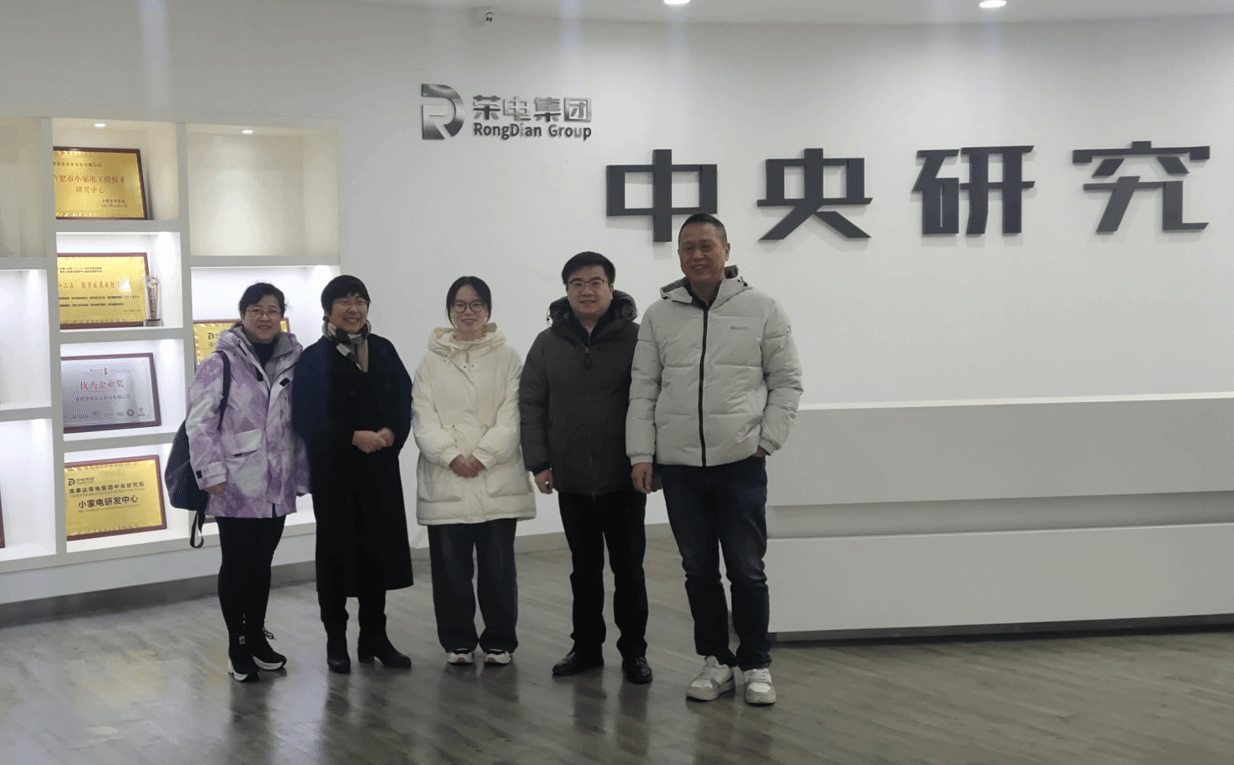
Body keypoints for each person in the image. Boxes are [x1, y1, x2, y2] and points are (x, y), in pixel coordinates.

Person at [627, 213, 803, 706]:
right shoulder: (659, 315)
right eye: (688, 247)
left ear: (727, 250)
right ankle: (715, 661)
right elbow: (643, 389)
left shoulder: (763, 308)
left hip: (740, 463)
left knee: (747, 570)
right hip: (680, 468)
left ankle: (756, 663)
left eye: (706, 245)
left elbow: (787, 382)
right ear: (679, 255)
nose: (697, 255)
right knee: (698, 571)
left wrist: (766, 440)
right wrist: (642, 452)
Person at [519, 251, 652, 684]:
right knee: (584, 571)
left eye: (596, 282)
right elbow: (531, 405)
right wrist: (539, 463)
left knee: (629, 571)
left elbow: (655, 400)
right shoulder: (547, 343)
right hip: (572, 478)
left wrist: (649, 458)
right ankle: (587, 648)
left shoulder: (638, 339)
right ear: (566, 291)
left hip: (625, 477)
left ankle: (634, 651)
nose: (587, 290)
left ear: (611, 288)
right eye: (577, 283)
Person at [291, 275, 414, 674]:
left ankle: (374, 636)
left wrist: (391, 432)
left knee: (377, 554)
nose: (353, 308)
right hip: (336, 474)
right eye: (344, 301)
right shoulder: (314, 357)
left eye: (360, 300)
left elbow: (404, 398)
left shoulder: (383, 349)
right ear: (328, 310)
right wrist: (350, 437)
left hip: (379, 470)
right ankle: (336, 640)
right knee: (335, 557)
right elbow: (305, 417)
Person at [186, 282, 308, 683]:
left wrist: (301, 473)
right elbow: (199, 422)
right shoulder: (219, 362)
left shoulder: (295, 359)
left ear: (282, 316)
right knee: (237, 563)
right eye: (256, 310)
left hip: (277, 481)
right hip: (234, 484)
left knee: (262, 563)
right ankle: (236, 644)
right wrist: (210, 474)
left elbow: (299, 422)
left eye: (272, 310)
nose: (264, 317)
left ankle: (256, 636)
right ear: (242, 315)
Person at [412, 276, 535, 667]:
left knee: (499, 568)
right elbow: (422, 415)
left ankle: (500, 641)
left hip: (496, 475)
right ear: (450, 310)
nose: (468, 312)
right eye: (460, 305)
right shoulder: (431, 360)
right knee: (450, 569)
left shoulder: (508, 356)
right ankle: (458, 641)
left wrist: (483, 455)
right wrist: (451, 455)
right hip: (445, 477)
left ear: (488, 309)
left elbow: (513, 414)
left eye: (476, 304)